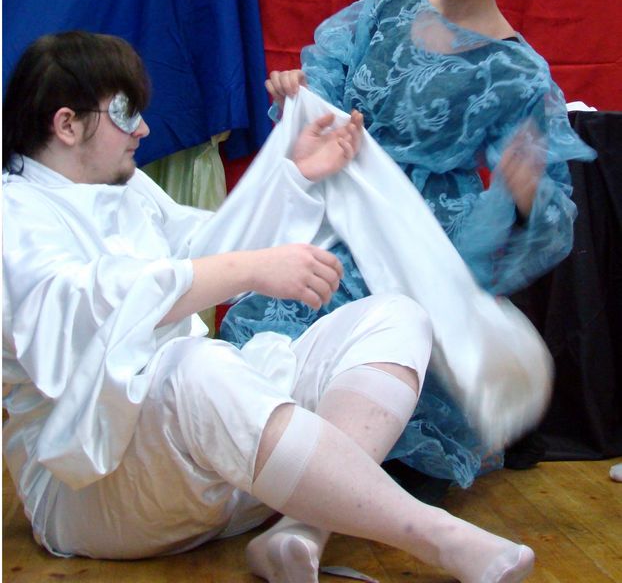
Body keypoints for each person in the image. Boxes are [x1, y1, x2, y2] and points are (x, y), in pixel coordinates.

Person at [3, 30, 537, 582]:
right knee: (195, 366)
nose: (143, 129)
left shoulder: (124, 186)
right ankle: (438, 537)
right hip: (94, 492)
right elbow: (85, 311)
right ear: (67, 125)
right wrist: (252, 269)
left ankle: (301, 531)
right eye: (124, 113)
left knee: (396, 316)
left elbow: (204, 247)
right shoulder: (14, 214)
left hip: (204, 471)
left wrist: (298, 175)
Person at [220, 0, 597, 490]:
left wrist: (525, 190)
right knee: (277, 319)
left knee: (385, 363)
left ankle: (342, 479)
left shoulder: (517, 70)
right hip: (340, 205)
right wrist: (299, 93)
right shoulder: (388, 9)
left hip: (420, 237)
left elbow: (554, 212)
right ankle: (277, 458)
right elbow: (326, 86)